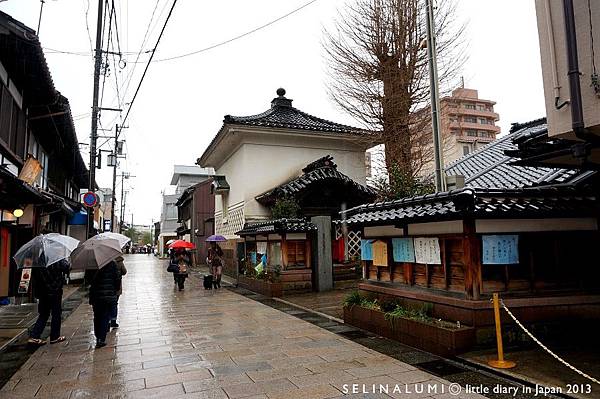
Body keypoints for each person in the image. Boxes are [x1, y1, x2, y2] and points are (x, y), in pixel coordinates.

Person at [28, 258, 71, 345]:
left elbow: (35, 275)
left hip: (43, 291)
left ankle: (34, 336)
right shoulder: (56, 258)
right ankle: (55, 336)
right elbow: (67, 267)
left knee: (44, 314)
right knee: (56, 313)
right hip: (55, 290)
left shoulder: (38, 260)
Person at [89, 260, 121, 348]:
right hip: (108, 296)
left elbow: (88, 280)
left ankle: (98, 336)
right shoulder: (112, 263)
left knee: (97, 316)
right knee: (104, 316)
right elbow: (117, 278)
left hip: (96, 296)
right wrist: (115, 289)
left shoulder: (92, 264)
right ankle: (101, 339)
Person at [109, 256, 127, 329]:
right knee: (114, 303)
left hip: (105, 287)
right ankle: (113, 321)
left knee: (106, 304)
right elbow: (124, 272)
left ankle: (107, 321)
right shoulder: (119, 260)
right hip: (116, 286)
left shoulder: (102, 261)